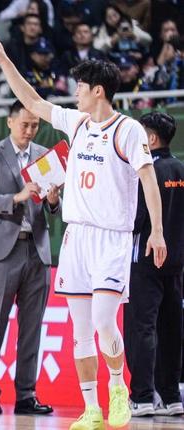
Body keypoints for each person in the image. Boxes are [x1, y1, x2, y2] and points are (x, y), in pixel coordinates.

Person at [0, 30, 167, 430]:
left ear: (98, 91)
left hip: (112, 238)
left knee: (103, 321)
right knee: (81, 331)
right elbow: (33, 100)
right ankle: (92, 409)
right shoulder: (78, 122)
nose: (75, 92)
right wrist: (4, 60)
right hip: (76, 238)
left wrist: (156, 231)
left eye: (81, 87)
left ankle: (117, 386)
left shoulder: (128, 130)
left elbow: (148, 180)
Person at [0, 99, 59, 416]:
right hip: (2, 250)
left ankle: (26, 395)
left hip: (37, 248)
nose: (29, 130)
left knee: (32, 327)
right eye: (24, 124)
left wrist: (53, 200)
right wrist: (17, 197)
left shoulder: (44, 156)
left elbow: (52, 207)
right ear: (10, 122)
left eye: (35, 125)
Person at [124, 112, 184, 417]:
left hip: (144, 262)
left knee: (141, 328)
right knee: (172, 329)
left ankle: (142, 397)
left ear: (150, 139)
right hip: (176, 265)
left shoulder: (145, 172)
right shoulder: (181, 169)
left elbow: (134, 220)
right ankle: (172, 397)